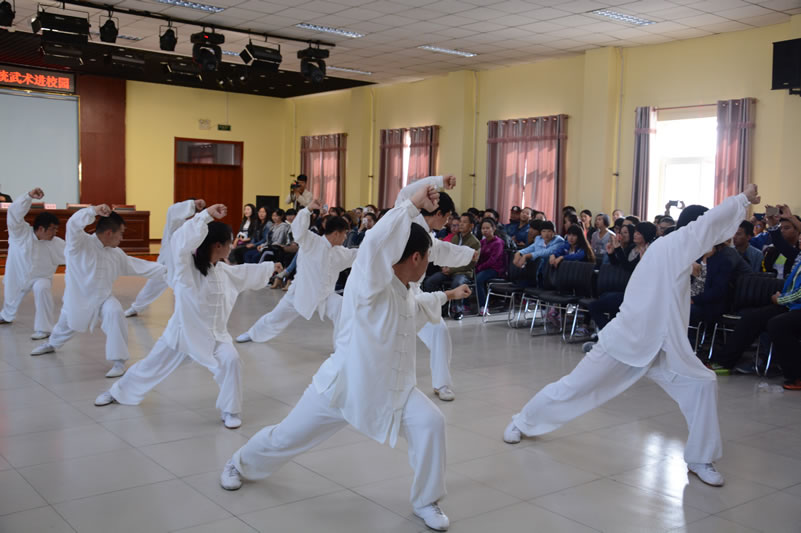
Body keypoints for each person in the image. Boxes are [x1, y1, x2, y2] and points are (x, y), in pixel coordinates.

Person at [221, 186, 469, 532]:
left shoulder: (404, 290)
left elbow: (420, 304)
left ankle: (426, 499)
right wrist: (411, 205)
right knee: (286, 437)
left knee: (431, 423)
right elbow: (375, 245)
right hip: (342, 387)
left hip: (394, 389)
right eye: (428, 257)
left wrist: (448, 293)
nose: (430, 264)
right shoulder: (369, 284)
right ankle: (239, 463)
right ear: (414, 258)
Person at [502, 184, 763, 488]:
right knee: (574, 387)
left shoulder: (674, 250)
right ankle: (521, 421)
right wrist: (743, 198)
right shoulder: (678, 243)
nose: (715, 240)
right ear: (693, 228)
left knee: (702, 384)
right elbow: (708, 225)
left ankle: (700, 458)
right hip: (627, 340)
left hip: (665, 347)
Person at [94, 204, 282, 428]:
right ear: (217, 245)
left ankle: (230, 410)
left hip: (215, 337)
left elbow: (245, 272)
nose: (232, 246)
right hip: (182, 333)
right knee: (150, 366)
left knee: (231, 361)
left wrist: (271, 268)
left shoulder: (223, 271)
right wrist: (204, 216)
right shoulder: (186, 270)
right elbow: (180, 243)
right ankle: (117, 393)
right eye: (229, 242)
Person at [30, 205, 167, 377]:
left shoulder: (116, 254)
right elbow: (73, 224)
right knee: (64, 327)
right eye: (121, 233)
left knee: (115, 311)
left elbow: (141, 267)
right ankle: (51, 344)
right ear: (109, 233)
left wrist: (170, 271)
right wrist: (93, 211)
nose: (122, 238)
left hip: (103, 299)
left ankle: (118, 361)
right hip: (77, 300)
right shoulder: (79, 244)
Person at [396, 175, 478, 402]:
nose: (450, 222)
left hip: (413, 294)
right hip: (391, 294)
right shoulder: (404, 220)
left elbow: (440, 250)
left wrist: (469, 254)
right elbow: (405, 193)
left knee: (439, 331)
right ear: (439, 213)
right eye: (449, 217)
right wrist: (440, 180)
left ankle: (441, 383)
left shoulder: (428, 236)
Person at [235, 201, 356, 345]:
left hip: (324, 296)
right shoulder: (311, 241)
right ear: (336, 233)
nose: (345, 238)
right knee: (276, 317)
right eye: (344, 234)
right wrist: (307, 210)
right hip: (300, 292)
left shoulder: (341, 253)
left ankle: (342, 348)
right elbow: (298, 230)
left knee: (342, 309)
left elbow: (361, 255)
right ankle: (253, 334)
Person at [0, 188, 65, 339]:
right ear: (40, 228)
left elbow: (75, 255)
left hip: (40, 277)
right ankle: (6, 316)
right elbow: (14, 214)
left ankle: (44, 329)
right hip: (17, 275)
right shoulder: (20, 234)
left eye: (56, 229)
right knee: (10, 301)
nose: (55, 233)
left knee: (42, 288)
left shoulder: (56, 243)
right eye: (52, 229)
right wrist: (28, 197)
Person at [124, 198, 205, 317]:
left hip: (185, 264)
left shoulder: (196, 224)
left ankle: (191, 313)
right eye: (192, 209)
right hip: (166, 263)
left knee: (186, 289)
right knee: (152, 287)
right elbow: (172, 210)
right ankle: (136, 307)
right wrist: (193, 204)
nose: (192, 214)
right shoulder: (175, 222)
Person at [423, 212, 480, 320]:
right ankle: (441, 307)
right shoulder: (455, 238)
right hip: (448, 270)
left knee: (457, 283)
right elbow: (446, 254)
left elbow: (470, 264)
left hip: (463, 272)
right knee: (430, 281)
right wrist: (443, 267)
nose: (461, 224)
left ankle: (458, 310)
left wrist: (451, 269)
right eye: (460, 222)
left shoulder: (475, 242)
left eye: (464, 222)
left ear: (471, 225)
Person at [475, 217, 506, 314]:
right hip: (483, 268)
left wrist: (479, 268)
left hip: (495, 269)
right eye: (483, 228)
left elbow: (492, 260)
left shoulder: (498, 243)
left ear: (494, 229)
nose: (485, 230)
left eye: (487, 228)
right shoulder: (482, 242)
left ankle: (483, 306)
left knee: (478, 279)